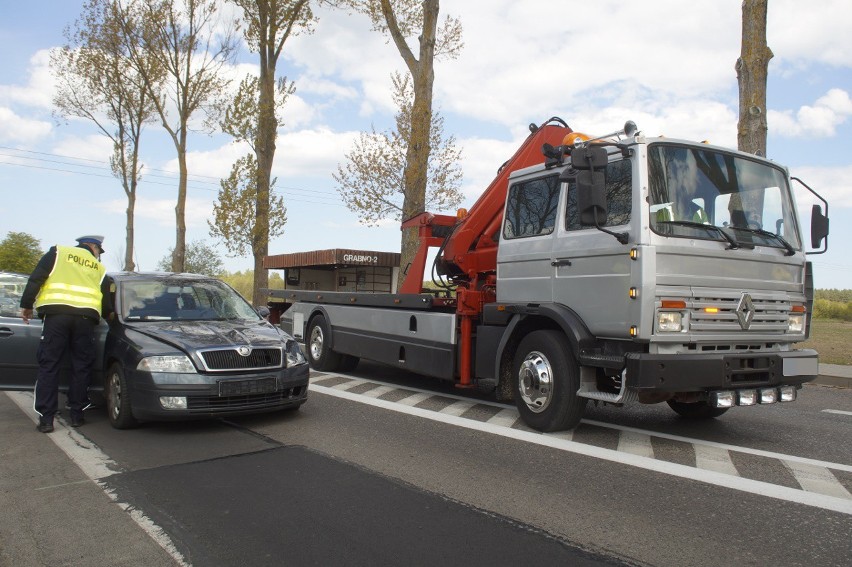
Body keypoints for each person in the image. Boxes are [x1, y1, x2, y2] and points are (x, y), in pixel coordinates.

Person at [20, 235, 111, 433]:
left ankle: (46, 419)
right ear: (93, 247)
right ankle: (77, 414)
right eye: (99, 251)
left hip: (56, 316)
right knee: (81, 366)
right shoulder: (99, 268)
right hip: (86, 320)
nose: (99, 255)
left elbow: (37, 278)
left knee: (50, 365)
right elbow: (106, 304)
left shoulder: (58, 252)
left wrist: (27, 305)